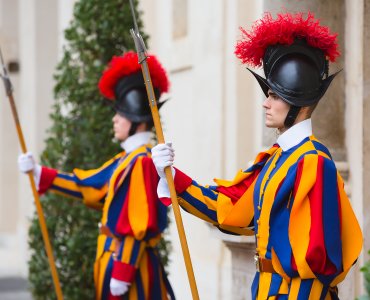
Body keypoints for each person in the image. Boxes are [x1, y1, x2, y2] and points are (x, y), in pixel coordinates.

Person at [151, 12, 363, 299]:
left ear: (298, 105)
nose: (265, 103)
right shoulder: (277, 158)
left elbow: (316, 265)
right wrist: (173, 177)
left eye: (274, 95)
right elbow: (230, 211)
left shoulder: (313, 162)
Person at [18, 51, 175, 300]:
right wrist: (39, 172)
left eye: (120, 114)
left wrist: (123, 272)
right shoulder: (126, 160)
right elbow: (87, 185)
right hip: (112, 259)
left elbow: (138, 226)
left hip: (128, 266)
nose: (114, 120)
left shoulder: (142, 162)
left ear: (136, 120)